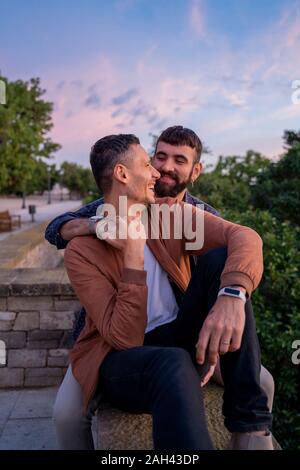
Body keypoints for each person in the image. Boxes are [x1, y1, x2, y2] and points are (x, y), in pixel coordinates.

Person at [51, 132, 273, 450]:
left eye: (177, 160)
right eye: (149, 162)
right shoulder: (83, 249)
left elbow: (245, 237)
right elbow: (124, 339)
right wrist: (130, 255)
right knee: (67, 414)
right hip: (120, 352)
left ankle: (250, 434)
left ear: (194, 170)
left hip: (178, 332)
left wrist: (232, 296)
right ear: (122, 174)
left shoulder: (172, 214)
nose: (158, 171)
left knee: (220, 258)